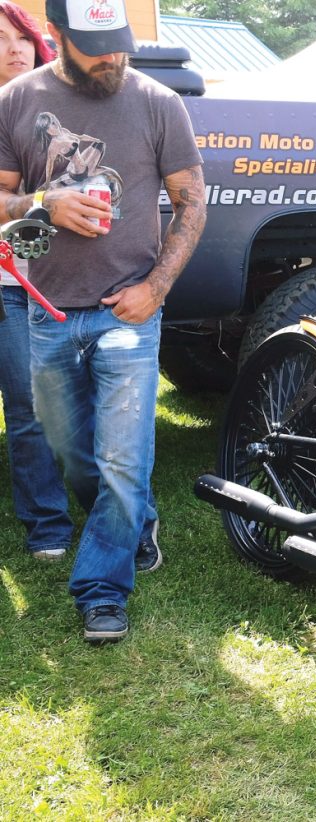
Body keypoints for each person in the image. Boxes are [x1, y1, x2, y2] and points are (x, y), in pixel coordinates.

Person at [0, 0, 206, 643]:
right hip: (47, 311)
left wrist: (157, 286)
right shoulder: (16, 100)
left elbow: (191, 200)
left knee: (122, 459)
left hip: (129, 311)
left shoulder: (156, 101)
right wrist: (43, 202)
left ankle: (101, 592)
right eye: (96, 46)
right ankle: (136, 523)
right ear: (56, 35)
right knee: (74, 454)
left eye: (120, 42)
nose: (113, 57)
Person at [0, 1, 74, 561]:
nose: (11, 49)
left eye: (19, 37)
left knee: (30, 407)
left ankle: (47, 521)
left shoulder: (57, 110)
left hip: (26, 284)